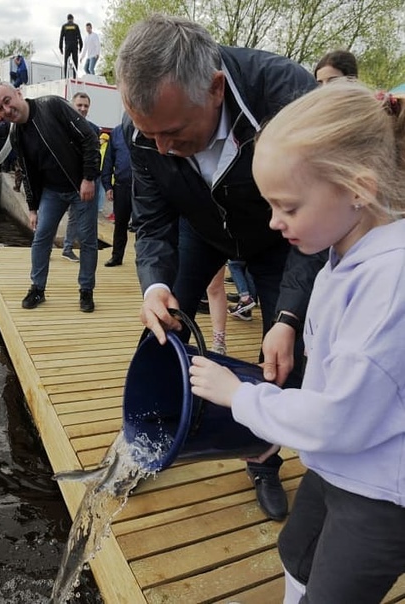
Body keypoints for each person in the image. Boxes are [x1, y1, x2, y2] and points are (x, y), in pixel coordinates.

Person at [189, 80, 405, 604]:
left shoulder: (388, 282)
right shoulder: (342, 249)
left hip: (381, 488)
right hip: (337, 461)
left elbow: (339, 417)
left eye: (286, 206)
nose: (273, 222)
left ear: (357, 187)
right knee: (297, 554)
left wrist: (241, 397)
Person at [115, 14, 326, 521]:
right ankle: (153, 432)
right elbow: (154, 219)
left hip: (282, 240)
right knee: (161, 331)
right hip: (200, 229)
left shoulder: (285, 94)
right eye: (149, 136)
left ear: (215, 89)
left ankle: (262, 460)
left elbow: (318, 213)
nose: (160, 147)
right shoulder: (143, 130)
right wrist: (155, 286)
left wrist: (290, 317)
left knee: (285, 360)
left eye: (173, 132)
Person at [0, 82, 100, 312]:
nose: (6, 110)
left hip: (81, 185)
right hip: (52, 191)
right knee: (40, 238)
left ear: (18, 94)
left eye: (7, 101)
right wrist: (32, 208)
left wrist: (89, 178)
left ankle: (86, 290)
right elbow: (28, 174)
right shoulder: (16, 135)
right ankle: (37, 288)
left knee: (88, 240)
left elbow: (89, 138)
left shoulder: (52, 105)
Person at [62, 92, 101, 263]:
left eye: (86, 106)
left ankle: (69, 248)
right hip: (63, 180)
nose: (83, 109)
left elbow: (95, 156)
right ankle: (42, 247)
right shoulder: (62, 127)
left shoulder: (94, 129)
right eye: (79, 105)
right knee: (50, 216)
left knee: (79, 217)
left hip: (85, 180)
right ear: (72, 105)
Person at [101, 123, 132, 267]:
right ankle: (116, 256)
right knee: (120, 224)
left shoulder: (148, 127)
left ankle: (145, 261)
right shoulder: (117, 132)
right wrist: (107, 185)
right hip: (122, 186)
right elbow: (108, 160)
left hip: (144, 188)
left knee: (144, 226)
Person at [59, 14, 83, 78]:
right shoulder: (76, 26)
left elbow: (61, 38)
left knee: (66, 62)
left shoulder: (64, 26)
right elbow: (79, 37)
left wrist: (60, 48)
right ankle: (75, 76)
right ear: (72, 19)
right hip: (75, 46)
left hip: (67, 46)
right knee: (75, 62)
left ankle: (66, 76)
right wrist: (81, 47)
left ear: (67, 19)